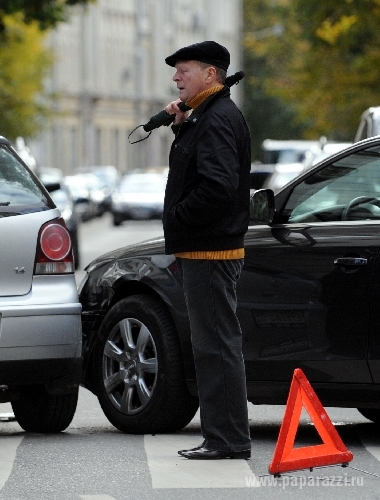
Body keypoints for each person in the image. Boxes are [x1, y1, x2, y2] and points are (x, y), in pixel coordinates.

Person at [162, 41, 252, 460]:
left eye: (184, 70)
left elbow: (216, 188)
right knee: (213, 345)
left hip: (210, 253)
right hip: (205, 251)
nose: (176, 78)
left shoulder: (216, 119)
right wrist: (182, 127)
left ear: (210, 74)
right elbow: (200, 171)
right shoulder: (207, 117)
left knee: (216, 346)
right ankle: (223, 436)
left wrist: (178, 218)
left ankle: (228, 439)